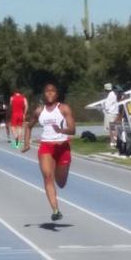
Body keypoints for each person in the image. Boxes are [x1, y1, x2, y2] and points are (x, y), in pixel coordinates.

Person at [22, 83, 77, 221]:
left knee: (61, 183)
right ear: (44, 94)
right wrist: (27, 143)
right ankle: (55, 210)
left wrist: (61, 131)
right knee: (47, 176)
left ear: (57, 94)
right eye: (47, 91)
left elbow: (73, 130)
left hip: (62, 146)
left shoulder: (64, 109)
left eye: (53, 91)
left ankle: (57, 199)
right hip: (46, 146)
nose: (50, 93)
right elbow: (29, 127)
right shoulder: (39, 111)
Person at [101, 83, 119, 150]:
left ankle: (113, 143)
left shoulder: (111, 95)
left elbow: (107, 106)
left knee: (112, 129)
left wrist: (103, 107)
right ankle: (114, 143)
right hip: (114, 113)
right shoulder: (113, 94)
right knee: (113, 128)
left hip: (111, 114)